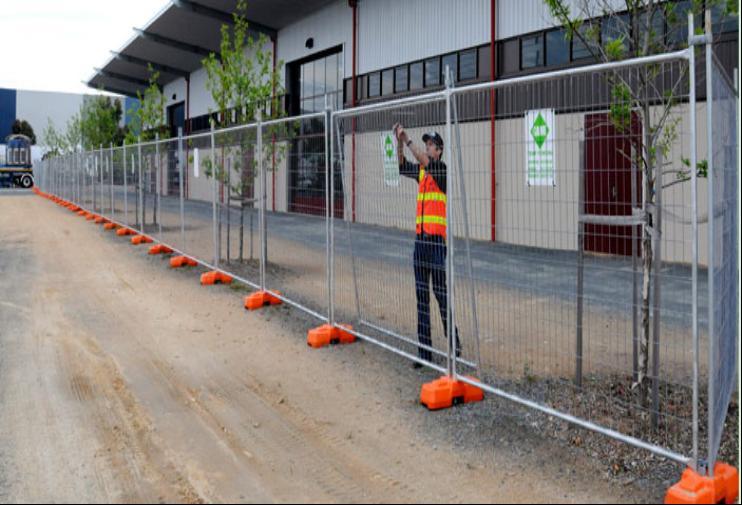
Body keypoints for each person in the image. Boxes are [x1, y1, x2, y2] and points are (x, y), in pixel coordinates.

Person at [392, 123, 460, 368]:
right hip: (420, 242)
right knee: (421, 297)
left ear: (439, 151)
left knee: (440, 295)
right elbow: (401, 166)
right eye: (427, 144)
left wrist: (408, 140)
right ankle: (424, 352)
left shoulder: (440, 170)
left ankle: (454, 342)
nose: (428, 148)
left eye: (431, 145)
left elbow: (423, 160)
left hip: (435, 245)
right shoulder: (421, 172)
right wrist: (399, 142)